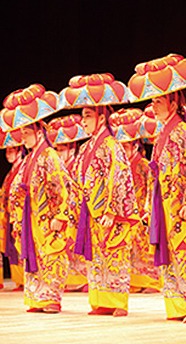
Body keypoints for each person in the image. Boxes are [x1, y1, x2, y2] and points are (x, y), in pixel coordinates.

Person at [128, 53, 186, 323]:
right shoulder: (162, 135)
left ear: (174, 100)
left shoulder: (184, 132)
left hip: (182, 205)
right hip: (164, 203)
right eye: (153, 100)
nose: (153, 106)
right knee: (170, 255)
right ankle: (176, 304)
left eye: (158, 100)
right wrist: (149, 206)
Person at [59, 73, 139, 317]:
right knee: (97, 258)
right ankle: (101, 301)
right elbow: (76, 180)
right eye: (83, 116)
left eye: (87, 116)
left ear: (102, 116)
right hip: (90, 211)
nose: (83, 121)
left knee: (114, 254)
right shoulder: (86, 148)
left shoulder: (112, 146)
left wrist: (113, 210)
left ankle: (117, 302)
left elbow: (120, 178)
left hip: (107, 212)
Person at [2, 84, 73, 313]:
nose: (23, 139)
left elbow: (64, 186)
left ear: (38, 130)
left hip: (48, 217)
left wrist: (61, 215)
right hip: (32, 218)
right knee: (35, 257)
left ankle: (51, 297)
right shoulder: (30, 159)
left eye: (26, 133)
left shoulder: (50, 156)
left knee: (51, 255)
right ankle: (37, 298)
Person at [108, 108, 161, 294]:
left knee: (144, 247)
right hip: (127, 213)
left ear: (136, 145)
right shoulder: (119, 167)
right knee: (130, 248)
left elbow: (151, 189)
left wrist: (148, 209)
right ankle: (135, 280)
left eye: (127, 145)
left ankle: (150, 281)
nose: (124, 149)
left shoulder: (144, 166)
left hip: (142, 212)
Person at [45, 115, 90, 293]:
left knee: (78, 246)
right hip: (65, 210)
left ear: (72, 148)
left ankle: (83, 279)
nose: (59, 152)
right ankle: (70, 280)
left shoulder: (78, 163)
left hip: (78, 209)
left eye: (62, 149)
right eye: (57, 149)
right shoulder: (58, 165)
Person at [0, 129, 25, 291]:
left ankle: (25, 278)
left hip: (20, 212)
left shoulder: (23, 168)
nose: (8, 154)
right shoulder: (11, 172)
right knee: (13, 247)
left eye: (11, 150)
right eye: (7, 151)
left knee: (21, 246)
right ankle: (19, 279)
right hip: (10, 213)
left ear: (19, 150)